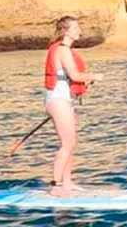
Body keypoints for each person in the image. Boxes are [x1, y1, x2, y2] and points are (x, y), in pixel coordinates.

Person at [43, 15, 101, 195]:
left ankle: (67, 183)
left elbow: (70, 79)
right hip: (57, 101)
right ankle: (56, 186)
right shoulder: (62, 50)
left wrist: (84, 85)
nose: (79, 31)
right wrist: (94, 76)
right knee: (67, 143)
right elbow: (75, 75)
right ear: (66, 31)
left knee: (70, 143)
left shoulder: (62, 49)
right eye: (75, 28)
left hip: (62, 100)